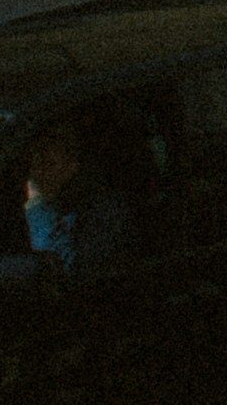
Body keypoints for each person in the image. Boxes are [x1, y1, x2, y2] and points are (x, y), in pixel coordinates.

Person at [11, 111, 138, 285]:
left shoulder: (103, 211)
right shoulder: (18, 202)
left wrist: (38, 206)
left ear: (73, 165)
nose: (38, 172)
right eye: (36, 160)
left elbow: (63, 274)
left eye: (49, 163)